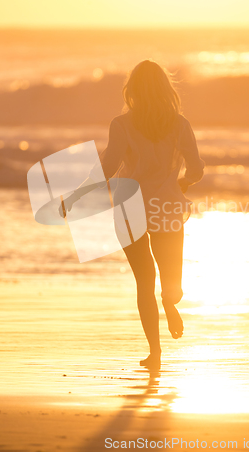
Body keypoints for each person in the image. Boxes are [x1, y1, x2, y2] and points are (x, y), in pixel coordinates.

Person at [61, 60, 204, 369]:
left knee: (144, 282)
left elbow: (107, 169)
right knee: (172, 286)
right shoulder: (180, 124)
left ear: (133, 90)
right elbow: (197, 169)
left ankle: (155, 353)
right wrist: (182, 182)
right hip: (168, 209)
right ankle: (170, 302)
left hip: (130, 210)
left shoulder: (122, 124)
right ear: (166, 89)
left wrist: (76, 194)